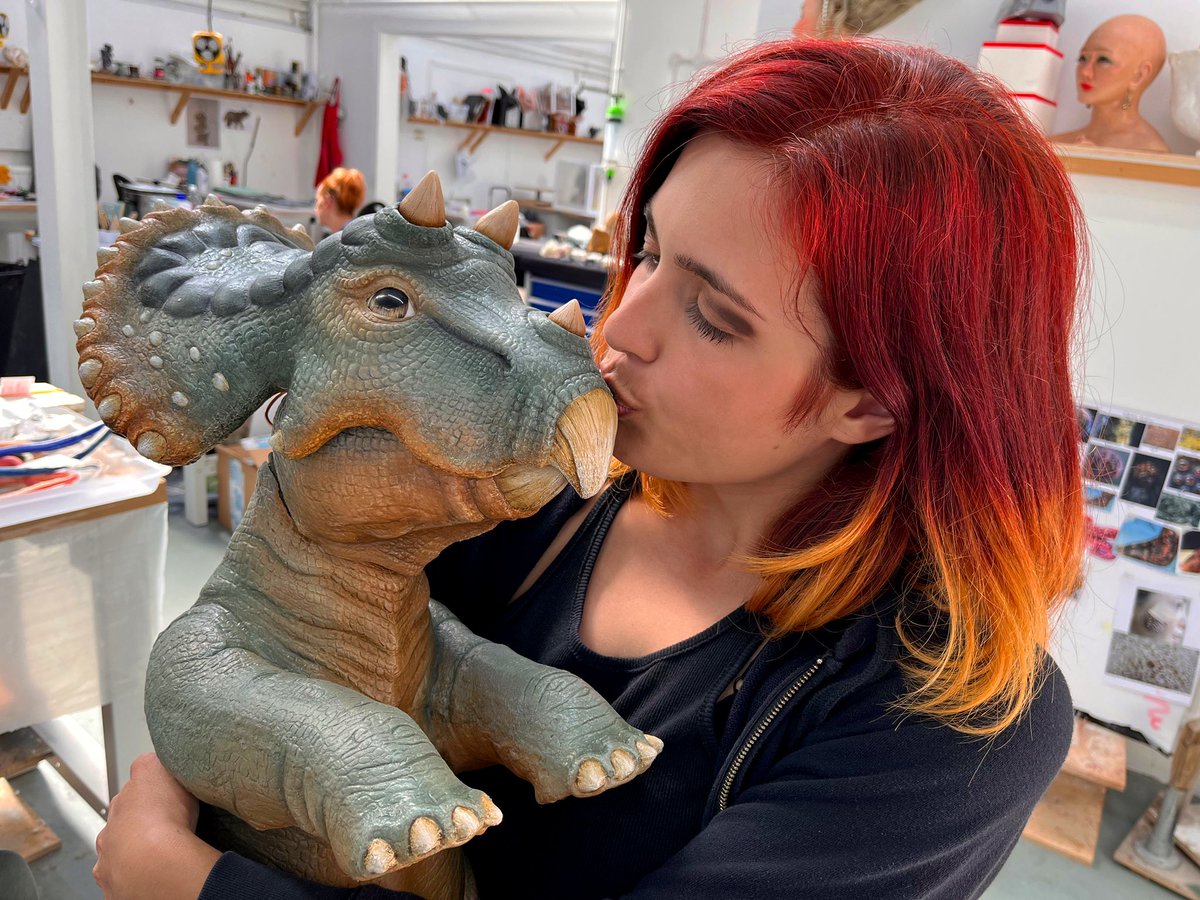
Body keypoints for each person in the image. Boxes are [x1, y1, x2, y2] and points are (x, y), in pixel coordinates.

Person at [93, 37, 1083, 899]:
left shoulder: (949, 720)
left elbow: (180, 850)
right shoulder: (519, 500)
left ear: (871, 398)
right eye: (646, 251)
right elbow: (271, 648)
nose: (624, 326)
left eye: (715, 316)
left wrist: (192, 885)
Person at [1052, 14, 1171, 153]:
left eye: (1103, 60)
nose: (1085, 72)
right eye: (1083, 58)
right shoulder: (1055, 143)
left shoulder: (1149, 151)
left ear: (1139, 75)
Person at [314, 166, 367, 234]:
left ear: (328, 201)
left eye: (317, 200)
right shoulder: (358, 232)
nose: (315, 209)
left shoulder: (342, 238)